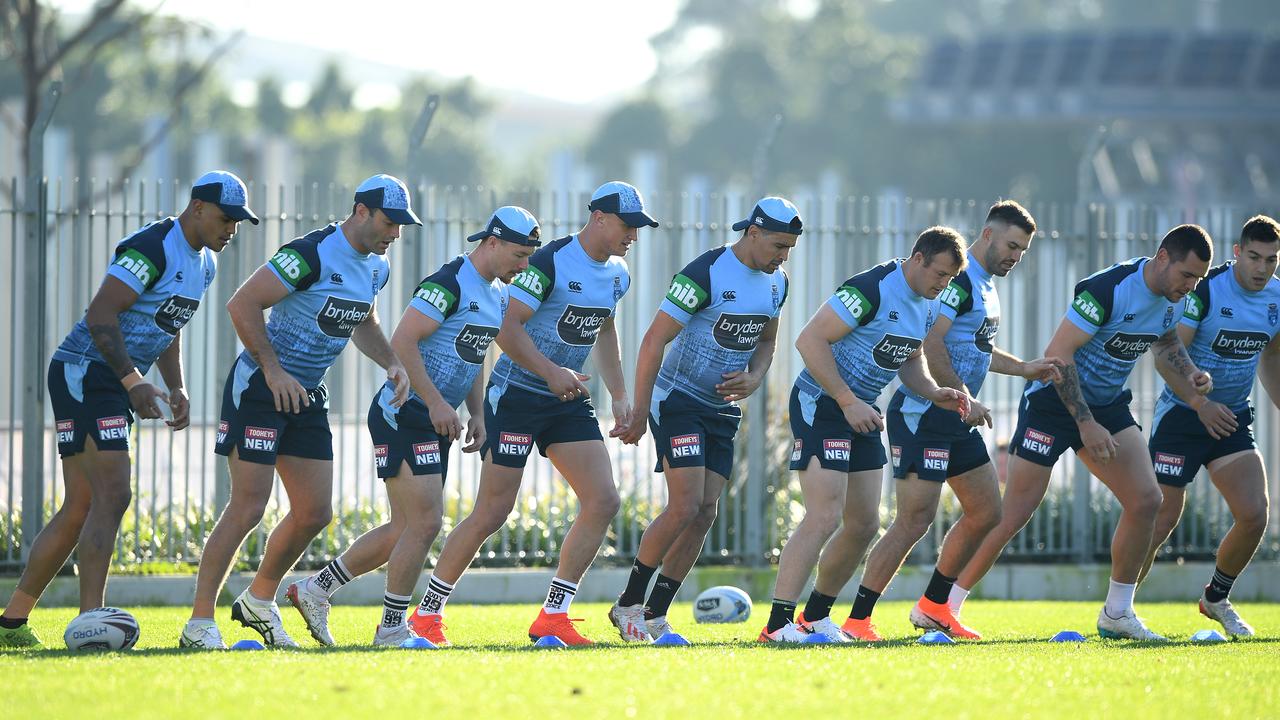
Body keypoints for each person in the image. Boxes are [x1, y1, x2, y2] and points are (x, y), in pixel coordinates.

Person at [0, 171, 256, 649]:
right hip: (86, 371)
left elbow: (168, 323)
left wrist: (175, 385)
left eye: (239, 223)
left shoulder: (204, 264)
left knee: (81, 505)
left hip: (110, 379)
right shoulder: (151, 247)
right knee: (113, 495)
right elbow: (101, 313)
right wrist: (133, 382)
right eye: (226, 219)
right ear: (197, 207)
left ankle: (11, 624)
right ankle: (90, 621)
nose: (231, 230)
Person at [405, 181, 657, 646]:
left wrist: (619, 393)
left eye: (639, 228)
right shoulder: (548, 262)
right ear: (598, 218)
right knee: (492, 512)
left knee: (603, 501)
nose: (633, 236)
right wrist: (549, 370)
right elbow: (506, 326)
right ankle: (426, 615)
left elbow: (603, 330)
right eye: (628, 225)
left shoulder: (618, 274)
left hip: (564, 400)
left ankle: (553, 616)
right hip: (516, 396)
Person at [181, 174, 417, 649]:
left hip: (307, 395)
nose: (396, 235)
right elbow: (242, 303)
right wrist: (273, 371)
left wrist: (391, 360)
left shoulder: (377, 268)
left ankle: (258, 601)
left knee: (314, 512)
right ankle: (198, 623)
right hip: (260, 389)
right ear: (362, 211)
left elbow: (363, 320)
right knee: (249, 505)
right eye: (391, 224)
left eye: (401, 228)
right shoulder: (310, 253)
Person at [286, 207, 540, 646]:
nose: (525, 266)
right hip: (402, 411)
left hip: (434, 417)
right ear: (492, 242)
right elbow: (403, 340)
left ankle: (316, 589)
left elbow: (473, 353)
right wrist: (440, 402)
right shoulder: (449, 283)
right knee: (425, 522)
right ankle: (391, 629)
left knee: (405, 527)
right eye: (520, 255)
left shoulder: (497, 294)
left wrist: (476, 412)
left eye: (530, 256)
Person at [953, 225, 1213, 641]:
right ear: (1163, 257)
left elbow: (1164, 343)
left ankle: (1117, 613)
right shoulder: (1108, 289)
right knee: (1014, 512)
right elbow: (1059, 353)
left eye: (1199, 279)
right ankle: (944, 608)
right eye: (1187, 275)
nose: (1191, 286)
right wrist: (1085, 423)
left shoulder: (1174, 299)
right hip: (1053, 402)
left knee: (1147, 500)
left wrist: (1191, 372)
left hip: (1107, 406)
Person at [850, 202, 1060, 641]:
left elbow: (975, 347)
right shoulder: (959, 281)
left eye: (1022, 250)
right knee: (914, 519)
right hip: (922, 414)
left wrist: (1024, 368)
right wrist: (965, 398)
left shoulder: (986, 286)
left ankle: (933, 607)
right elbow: (931, 344)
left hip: (957, 415)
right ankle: (857, 620)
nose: (1015, 256)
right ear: (987, 234)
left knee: (988, 511)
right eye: (1011, 246)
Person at [761, 227, 971, 643]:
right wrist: (846, 399)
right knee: (824, 515)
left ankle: (815, 618)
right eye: (940, 274)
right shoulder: (870, 288)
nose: (943, 284)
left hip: (861, 412)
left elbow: (909, 356)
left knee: (863, 524)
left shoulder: (929, 304)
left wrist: (932, 391)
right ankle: (777, 625)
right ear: (917, 258)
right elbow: (809, 339)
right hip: (822, 403)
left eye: (950, 279)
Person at [610, 197, 801, 642]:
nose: (783, 256)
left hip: (721, 410)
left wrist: (755, 376)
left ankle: (656, 614)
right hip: (678, 399)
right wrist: (639, 410)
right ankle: (628, 604)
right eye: (777, 245)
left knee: (704, 512)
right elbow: (653, 341)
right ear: (752, 233)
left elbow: (768, 340)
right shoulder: (705, 273)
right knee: (684, 505)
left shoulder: (779, 283)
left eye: (789, 248)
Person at [1140, 215, 1280, 637]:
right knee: (1161, 518)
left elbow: (1271, 357)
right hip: (1183, 416)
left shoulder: (1276, 296)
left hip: (1231, 418)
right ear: (1237, 252)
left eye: (1271, 260)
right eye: (1254, 257)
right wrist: (1199, 401)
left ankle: (1216, 598)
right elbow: (1168, 352)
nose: (1261, 268)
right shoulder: (1205, 290)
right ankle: (1119, 606)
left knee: (1254, 514)